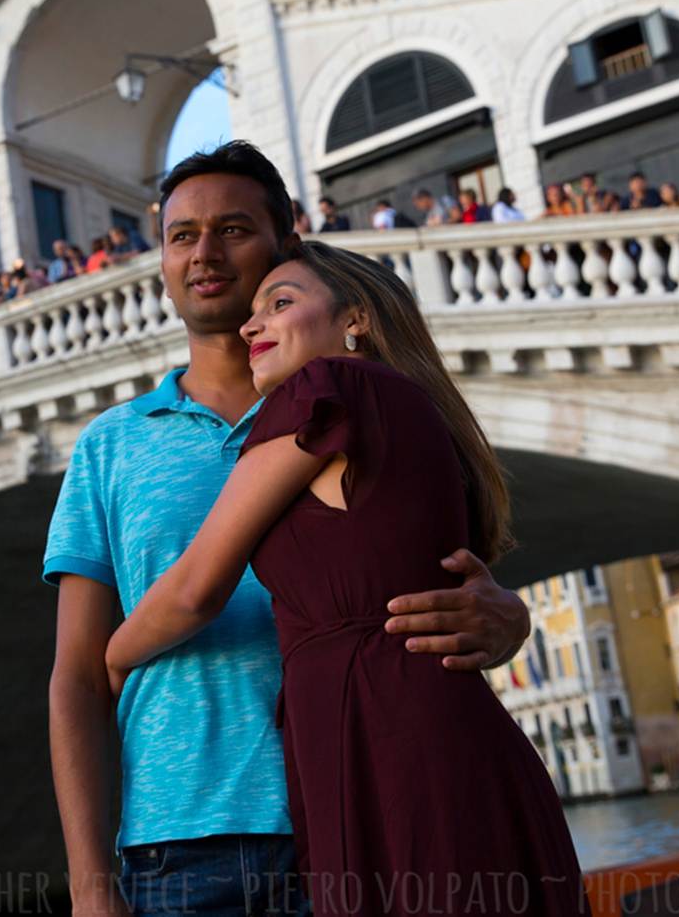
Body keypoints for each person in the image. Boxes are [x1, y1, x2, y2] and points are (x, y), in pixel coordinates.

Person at [43, 141, 532, 917]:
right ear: (162, 261)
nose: (204, 253)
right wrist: (89, 885)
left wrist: (510, 615)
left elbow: (426, 565)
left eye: (233, 229)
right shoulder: (112, 445)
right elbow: (75, 676)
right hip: (185, 840)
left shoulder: (354, 405)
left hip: (358, 810)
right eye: (181, 236)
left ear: (287, 242)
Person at [104, 239, 587, 917]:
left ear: (354, 318)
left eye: (281, 303)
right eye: (254, 311)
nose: (251, 325)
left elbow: (195, 587)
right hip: (426, 732)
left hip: (385, 741)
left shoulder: (327, 387)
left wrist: (114, 656)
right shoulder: (411, 409)